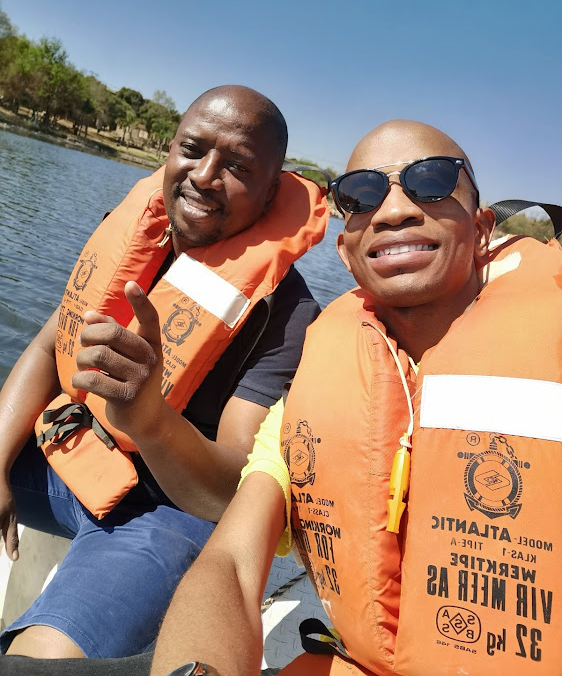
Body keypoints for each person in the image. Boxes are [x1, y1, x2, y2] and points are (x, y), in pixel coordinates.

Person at [144, 119, 560, 675]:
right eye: (361, 194)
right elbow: (233, 564)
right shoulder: (305, 402)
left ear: (483, 229)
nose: (393, 211)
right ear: (346, 251)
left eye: (432, 182)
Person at [0, 85, 328, 660]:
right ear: (169, 150)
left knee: (41, 661)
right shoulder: (135, 236)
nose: (204, 176)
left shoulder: (290, 314)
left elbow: (231, 490)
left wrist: (150, 417)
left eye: (237, 167)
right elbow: (49, 346)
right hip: (71, 454)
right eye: (192, 149)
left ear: (272, 189)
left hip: (165, 513)